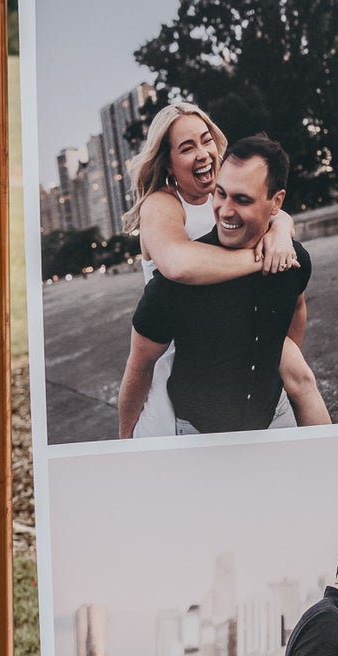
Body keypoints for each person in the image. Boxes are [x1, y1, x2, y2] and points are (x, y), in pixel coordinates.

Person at [121, 104, 321, 435]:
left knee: (301, 379)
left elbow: (273, 212)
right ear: (167, 161)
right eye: (187, 148)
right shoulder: (161, 203)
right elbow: (179, 264)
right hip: (176, 349)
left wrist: (281, 231)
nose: (202, 154)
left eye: (205, 140)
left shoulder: (233, 192)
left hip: (236, 325)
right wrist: (262, 258)